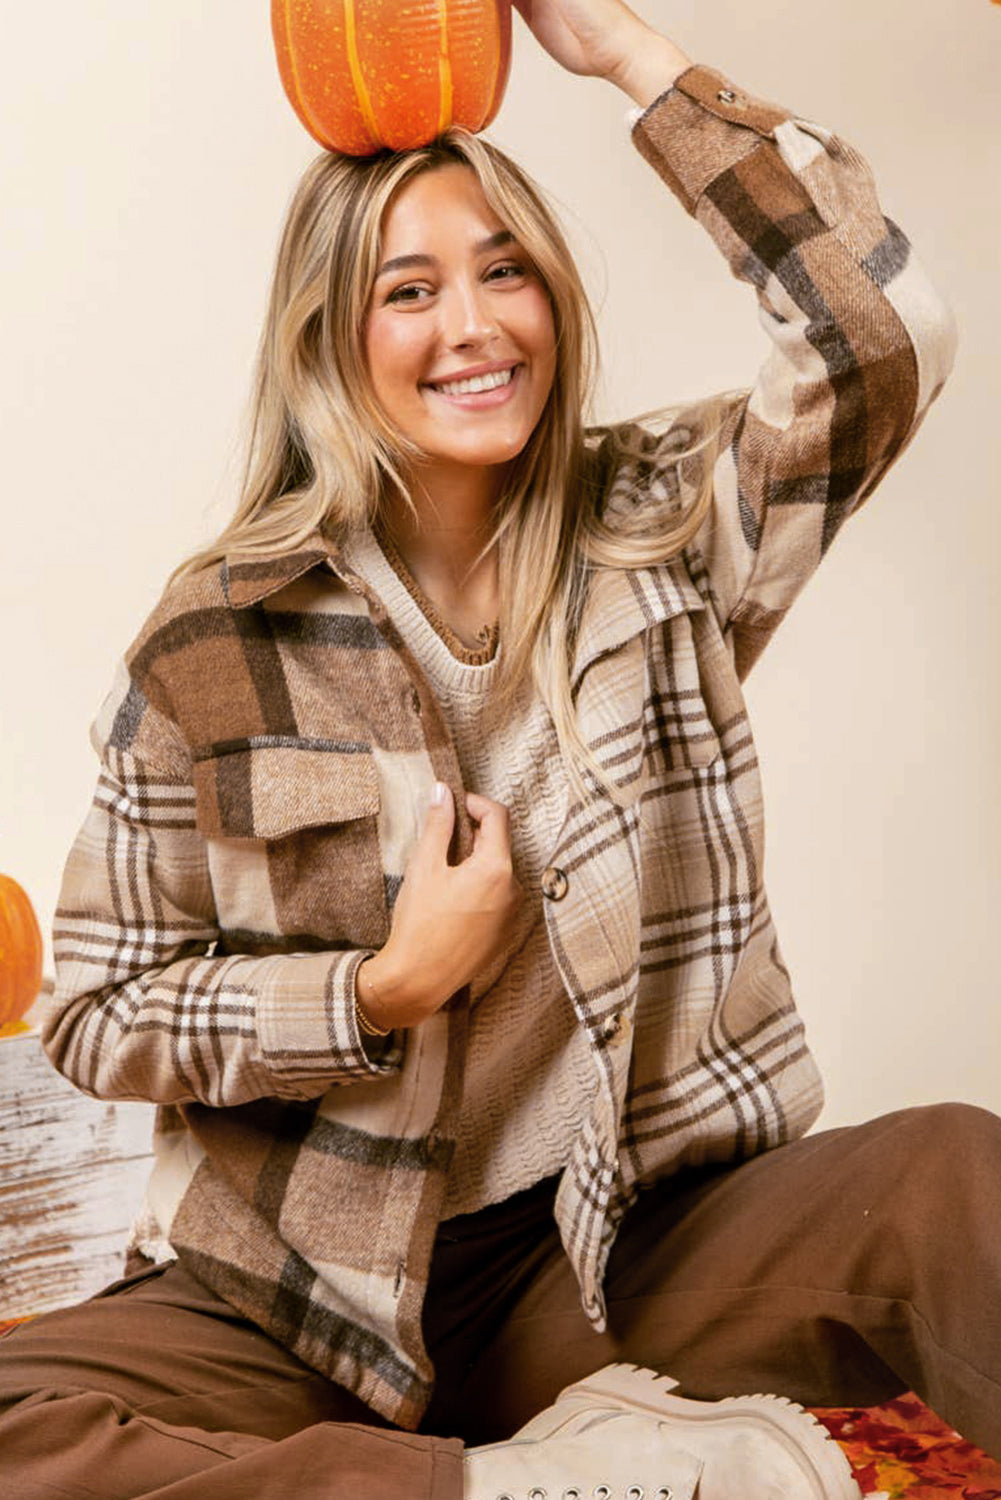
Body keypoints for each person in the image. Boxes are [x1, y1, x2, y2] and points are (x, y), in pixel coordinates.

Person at [1, 1, 993, 1497]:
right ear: (327, 340)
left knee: (950, 1176)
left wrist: (626, 58)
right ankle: (507, 1488)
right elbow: (95, 1011)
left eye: (505, 269)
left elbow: (881, 340)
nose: (473, 327)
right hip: (297, 1296)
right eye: (408, 291)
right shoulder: (217, 635)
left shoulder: (661, 532)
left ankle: (536, 1442)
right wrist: (379, 990)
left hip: (610, 1259)